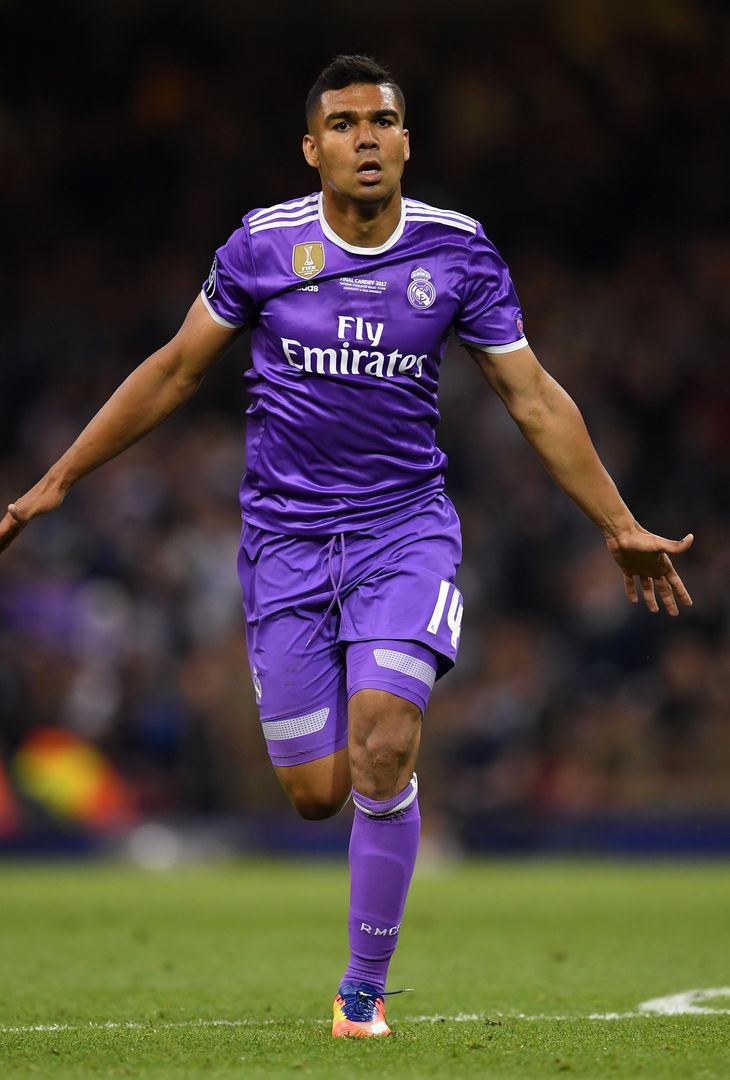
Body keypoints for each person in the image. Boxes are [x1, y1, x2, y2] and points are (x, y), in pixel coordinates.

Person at [0, 55, 693, 1037]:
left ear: (406, 141)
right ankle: (379, 805)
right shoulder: (261, 246)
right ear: (311, 148)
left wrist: (617, 523)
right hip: (283, 545)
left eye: (382, 121)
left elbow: (533, 397)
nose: (365, 137)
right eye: (344, 123)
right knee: (316, 793)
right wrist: (59, 480)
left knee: (383, 739)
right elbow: (174, 371)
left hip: (403, 534)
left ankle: (361, 990)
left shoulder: (458, 252)